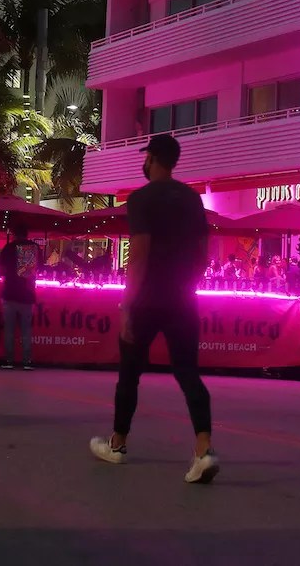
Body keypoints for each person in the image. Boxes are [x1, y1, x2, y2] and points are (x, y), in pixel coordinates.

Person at [89, 134, 219, 485]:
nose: (144, 162)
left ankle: (118, 444)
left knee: (130, 373)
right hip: (182, 299)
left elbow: (139, 256)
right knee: (188, 373)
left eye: (145, 156)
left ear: (152, 158)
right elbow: (203, 255)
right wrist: (186, 286)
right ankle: (203, 450)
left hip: (146, 299)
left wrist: (127, 305)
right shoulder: (192, 199)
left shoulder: (141, 199)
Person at [0, 219, 40, 370]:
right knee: (26, 330)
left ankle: (8, 360)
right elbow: (39, 268)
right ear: (27, 233)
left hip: (10, 293)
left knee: (9, 330)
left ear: (14, 234)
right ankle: (27, 361)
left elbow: (1, 271)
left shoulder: (8, 248)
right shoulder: (34, 248)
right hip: (27, 295)